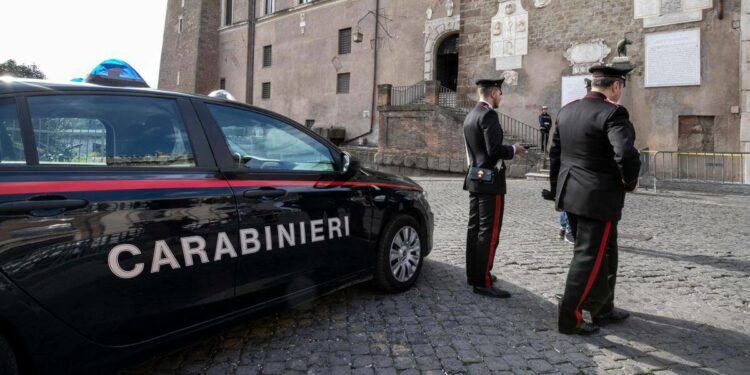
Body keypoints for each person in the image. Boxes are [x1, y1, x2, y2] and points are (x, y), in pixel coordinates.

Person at [546, 63, 641, 335]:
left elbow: (555, 156)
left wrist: (556, 190)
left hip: (571, 194)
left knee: (606, 251)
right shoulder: (613, 113)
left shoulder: (567, 110)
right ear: (615, 86)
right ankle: (570, 317)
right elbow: (625, 153)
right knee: (588, 255)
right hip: (597, 198)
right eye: (621, 86)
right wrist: (630, 181)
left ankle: (601, 307)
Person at [463, 78, 526, 298]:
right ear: (493, 93)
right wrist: (514, 149)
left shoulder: (471, 115)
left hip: (474, 178)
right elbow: (494, 150)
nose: (501, 97)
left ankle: (474, 274)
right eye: (500, 93)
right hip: (490, 181)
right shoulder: (489, 115)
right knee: (489, 232)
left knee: (474, 229)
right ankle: (483, 281)